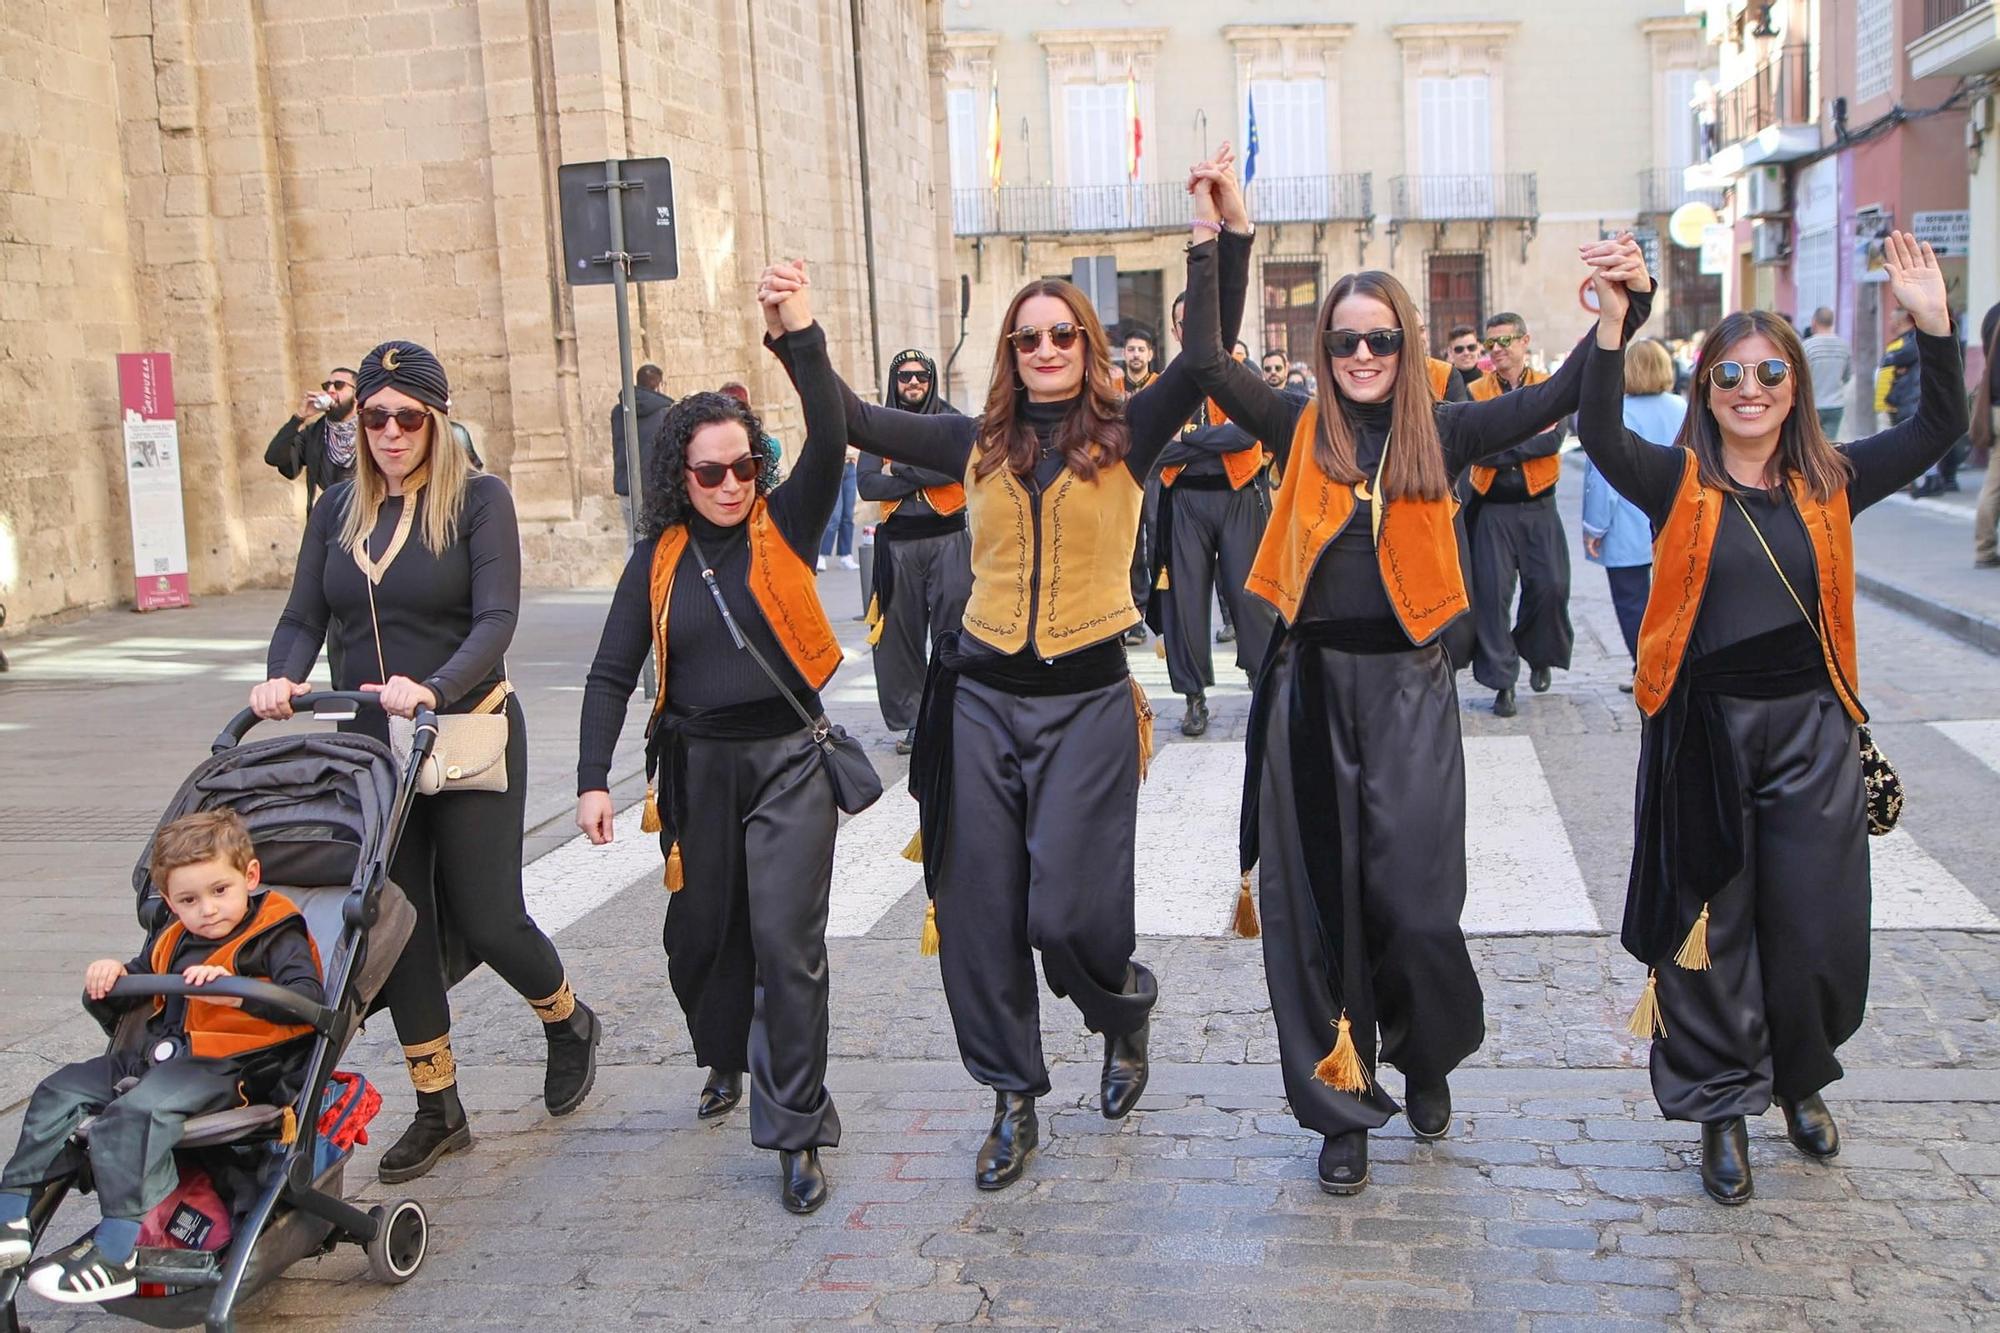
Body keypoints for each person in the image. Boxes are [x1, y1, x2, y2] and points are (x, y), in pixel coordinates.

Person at [768, 150, 1257, 1193]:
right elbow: (845, 419)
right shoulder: (969, 441)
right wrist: (799, 332)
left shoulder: (1130, 435)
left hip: (1083, 704)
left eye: (1061, 334)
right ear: (1010, 352)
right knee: (981, 915)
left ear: (1084, 345)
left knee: (1070, 919)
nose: (1044, 348)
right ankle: (1011, 1096)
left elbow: (1208, 356)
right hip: (978, 704)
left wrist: (1216, 237)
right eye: (1026, 337)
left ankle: (1122, 1006)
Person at [1182, 154, 1652, 1196]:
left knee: (1417, 902)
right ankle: (1340, 1101)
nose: (1360, 353)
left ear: (1405, 346)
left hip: (1408, 692)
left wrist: (1626, 306)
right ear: (1325, 346)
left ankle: (1425, 1050)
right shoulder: (1294, 428)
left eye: (1379, 338)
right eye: (1344, 339)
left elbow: (1566, 391)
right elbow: (1208, 359)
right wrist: (1226, 236)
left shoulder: (1443, 430)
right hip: (1307, 694)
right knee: (1318, 912)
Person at [1577, 232, 1962, 1206]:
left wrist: (1931, 326)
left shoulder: (1828, 481)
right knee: (1712, 925)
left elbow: (1933, 431)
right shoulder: (1674, 483)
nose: (1748, 388)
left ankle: (1799, 1077)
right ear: (1704, 390)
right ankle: (1718, 1106)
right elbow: (1601, 430)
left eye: (1768, 372)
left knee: (1817, 930)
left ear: (1792, 386)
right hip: (1703, 736)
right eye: (1728, 375)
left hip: (1811, 735)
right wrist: (1614, 324)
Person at [253, 340, 598, 1185]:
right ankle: (438, 1104)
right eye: (375, 416)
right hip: (373, 749)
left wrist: (434, 687)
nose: (392, 432)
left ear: (438, 421)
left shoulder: (480, 500)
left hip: (468, 730)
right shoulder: (334, 506)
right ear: (357, 419)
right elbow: (305, 614)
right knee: (397, 922)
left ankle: (567, 1018)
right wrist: (279, 676)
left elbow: (496, 618)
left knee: (489, 916)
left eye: (410, 416)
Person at [576, 271, 850, 1213]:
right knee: (701, 943)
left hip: (788, 763)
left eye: (746, 467)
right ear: (678, 477)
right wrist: (590, 780)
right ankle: (728, 1052)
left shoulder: (790, 523)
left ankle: (796, 1125)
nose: (733, 485)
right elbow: (612, 671)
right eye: (711, 472)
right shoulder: (655, 562)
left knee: (787, 943)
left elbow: (831, 426)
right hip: (695, 771)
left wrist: (796, 330)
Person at [0, 811, 321, 1303]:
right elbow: (138, 982)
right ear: (169, 901)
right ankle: (12, 1214)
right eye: (188, 900)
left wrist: (234, 993)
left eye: (220, 891)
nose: (207, 910)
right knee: (59, 1090)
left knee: (135, 1115)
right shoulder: (173, 936)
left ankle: (117, 1251)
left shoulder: (277, 933)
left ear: (250, 878)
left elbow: (306, 999)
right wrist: (109, 979)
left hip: (233, 1066)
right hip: (160, 1056)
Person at [857, 350, 972, 754]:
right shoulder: (878, 425)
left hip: (949, 542)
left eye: (920, 376)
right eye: (904, 376)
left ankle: (956, 715)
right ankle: (912, 722)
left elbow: (957, 469)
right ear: (894, 381)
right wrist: (924, 471)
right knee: (898, 641)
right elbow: (869, 485)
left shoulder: (953, 420)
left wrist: (901, 469)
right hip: (898, 547)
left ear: (931, 379)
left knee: (953, 633)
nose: (913, 383)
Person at [1463, 312, 1576, 716]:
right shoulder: (1475, 391)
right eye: (1491, 343)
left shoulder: (1550, 386)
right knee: (1491, 597)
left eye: (1506, 341)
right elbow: (1475, 446)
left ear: (1525, 341)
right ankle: (1502, 682)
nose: (1498, 350)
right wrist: (1513, 442)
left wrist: (1500, 447)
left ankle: (1538, 650)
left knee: (1551, 586)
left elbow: (1552, 441)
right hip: (1492, 507)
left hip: (1539, 504)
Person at [1147, 385, 1277, 737]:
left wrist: (1188, 434)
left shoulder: (1240, 378)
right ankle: (1193, 697)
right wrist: (1214, 441)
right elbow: (1156, 446)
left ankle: (1262, 683)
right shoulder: (1164, 385)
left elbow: (1246, 435)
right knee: (1183, 601)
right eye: (1183, 324)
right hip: (1185, 500)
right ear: (1175, 330)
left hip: (1239, 496)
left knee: (1250, 598)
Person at [1581, 338, 1683, 692]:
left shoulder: (1618, 413)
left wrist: (1594, 526)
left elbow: (1603, 477)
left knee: (1631, 601)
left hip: (1628, 518)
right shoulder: (1682, 407)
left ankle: (1647, 667)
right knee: (1678, 597)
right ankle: (1677, 664)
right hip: (1679, 516)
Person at [265, 367, 360, 512]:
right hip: (330, 521)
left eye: (339, 385)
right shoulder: (314, 433)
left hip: (368, 518)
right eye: (327, 386)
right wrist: (298, 418)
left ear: (356, 394)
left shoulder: (372, 429)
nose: (331, 390)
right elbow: (274, 457)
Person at [610, 363, 674, 532]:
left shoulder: (619, 411)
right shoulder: (664, 413)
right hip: (654, 489)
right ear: (659, 385)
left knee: (633, 541)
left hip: (627, 487)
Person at [1971, 304, 2000, 568]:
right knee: (1994, 484)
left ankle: (1984, 546)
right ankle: (1985, 548)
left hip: (1994, 407)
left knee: (1994, 480)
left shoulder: (1992, 315)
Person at [1801, 308, 1852, 440]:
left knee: (1810, 444)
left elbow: (1801, 377)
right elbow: (1846, 377)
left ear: (1814, 322)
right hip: (1835, 404)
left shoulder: (1807, 346)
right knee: (1830, 447)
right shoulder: (1844, 346)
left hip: (1812, 404)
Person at [1447, 324, 1485, 389]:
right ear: (1450, 352)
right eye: (1459, 349)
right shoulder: (1443, 384)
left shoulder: (1492, 381)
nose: (1466, 353)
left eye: (1471, 347)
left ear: (1478, 348)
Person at [1123, 327, 1159, 395]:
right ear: (1123, 354)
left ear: (1150, 355)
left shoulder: (1160, 384)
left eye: (1141, 350)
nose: (1136, 355)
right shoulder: (1113, 388)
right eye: (1131, 349)